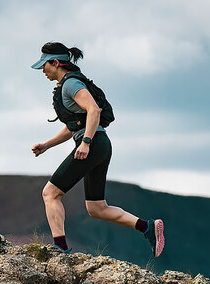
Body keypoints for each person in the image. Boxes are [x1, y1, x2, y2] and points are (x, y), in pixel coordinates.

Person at [30, 41, 165, 257]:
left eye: (44, 65)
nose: (42, 71)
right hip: (100, 144)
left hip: (93, 144)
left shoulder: (71, 85)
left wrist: (86, 142)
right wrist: (47, 145)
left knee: (51, 193)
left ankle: (60, 250)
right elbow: (74, 125)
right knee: (96, 207)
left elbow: (94, 110)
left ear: (55, 63)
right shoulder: (67, 85)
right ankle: (147, 227)